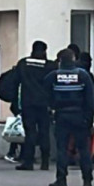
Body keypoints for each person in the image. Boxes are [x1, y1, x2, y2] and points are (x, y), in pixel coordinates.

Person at [45, 49, 94, 186]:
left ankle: (61, 180)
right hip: (80, 116)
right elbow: (90, 100)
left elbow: (46, 95)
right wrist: (89, 120)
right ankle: (87, 180)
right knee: (83, 148)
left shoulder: (53, 76)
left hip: (61, 116)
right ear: (73, 60)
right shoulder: (83, 76)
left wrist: (52, 109)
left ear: (60, 61)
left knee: (62, 149)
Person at [15, 41, 57, 171]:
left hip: (28, 103)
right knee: (44, 132)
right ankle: (45, 161)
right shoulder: (50, 66)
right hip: (45, 104)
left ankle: (28, 161)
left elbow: (15, 81)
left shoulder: (23, 64)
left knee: (30, 132)